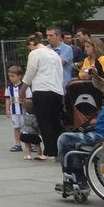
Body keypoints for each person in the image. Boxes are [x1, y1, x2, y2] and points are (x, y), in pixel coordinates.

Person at [21, 32, 64, 161]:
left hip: (42, 90)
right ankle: (57, 150)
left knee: (44, 122)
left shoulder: (35, 54)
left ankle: (49, 152)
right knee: (55, 121)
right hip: (57, 90)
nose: (29, 50)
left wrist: (23, 90)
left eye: (29, 47)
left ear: (32, 44)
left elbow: (30, 73)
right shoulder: (54, 53)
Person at [3, 65, 32, 155]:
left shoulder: (24, 87)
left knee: (27, 128)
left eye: (13, 76)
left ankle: (30, 143)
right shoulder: (9, 88)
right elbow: (8, 99)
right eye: (10, 76)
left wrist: (24, 101)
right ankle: (17, 144)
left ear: (19, 76)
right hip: (14, 111)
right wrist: (7, 110)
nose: (11, 78)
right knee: (16, 127)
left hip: (23, 111)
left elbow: (29, 98)